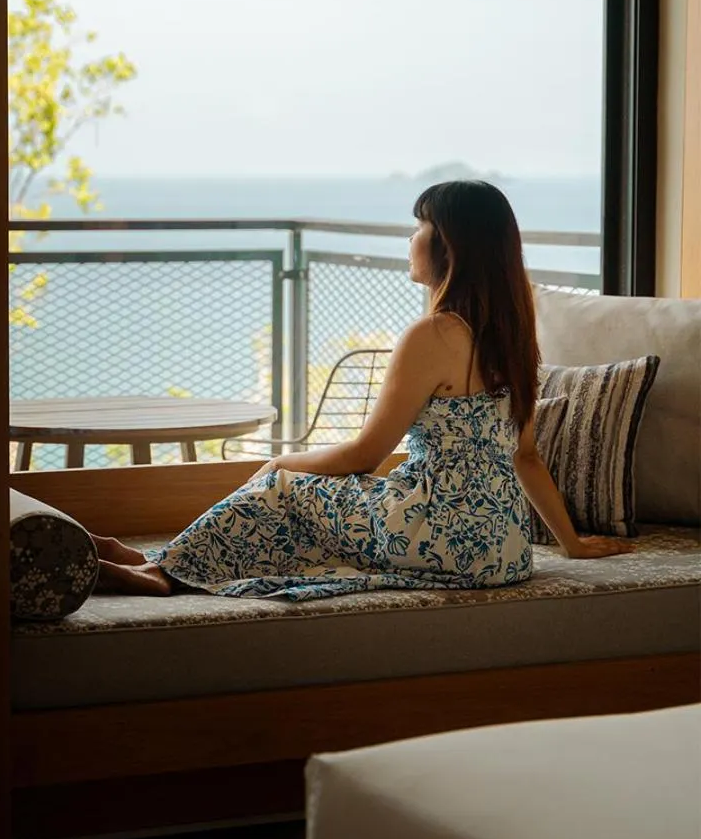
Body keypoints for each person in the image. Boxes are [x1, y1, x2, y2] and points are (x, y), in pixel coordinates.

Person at [92, 180, 631, 598]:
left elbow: (365, 456)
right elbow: (526, 456)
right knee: (313, 497)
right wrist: (571, 544)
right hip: (503, 550)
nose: (411, 238)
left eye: (420, 226)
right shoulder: (512, 337)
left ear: (448, 245)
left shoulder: (434, 334)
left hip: (438, 533)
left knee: (285, 487)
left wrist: (281, 464)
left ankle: (161, 574)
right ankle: (160, 560)